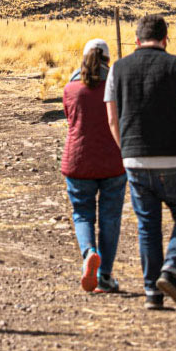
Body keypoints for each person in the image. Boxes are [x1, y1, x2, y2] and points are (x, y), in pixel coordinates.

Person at [105, 14, 176, 311]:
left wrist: (126, 151)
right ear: (165, 39)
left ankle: (151, 293)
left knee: (148, 225)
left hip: (135, 158)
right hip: (175, 157)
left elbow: (111, 118)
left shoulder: (117, 69)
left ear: (136, 40)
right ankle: (172, 269)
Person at [61, 38, 127, 294]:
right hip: (113, 162)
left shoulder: (70, 89)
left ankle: (89, 252)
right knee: (110, 218)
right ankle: (106, 276)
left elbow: (69, 118)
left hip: (78, 162)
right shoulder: (117, 89)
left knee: (82, 213)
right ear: (108, 61)